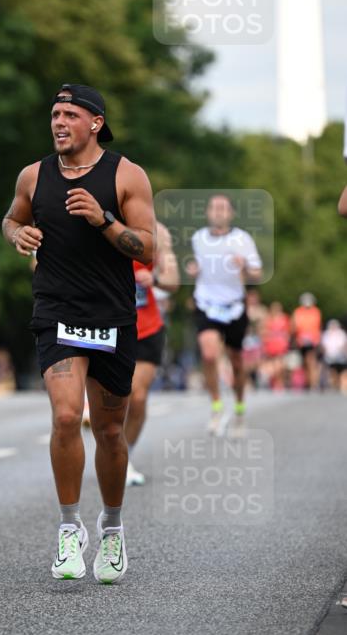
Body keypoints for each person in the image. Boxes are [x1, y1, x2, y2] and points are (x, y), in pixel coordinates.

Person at [3, 83, 154, 584]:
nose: (59, 123)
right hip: (57, 311)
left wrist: (105, 220)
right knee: (68, 417)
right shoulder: (34, 175)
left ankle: (111, 529)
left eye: (70, 114)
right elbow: (11, 218)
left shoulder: (126, 175)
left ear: (95, 123)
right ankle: (71, 528)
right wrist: (17, 234)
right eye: (54, 114)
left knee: (109, 430)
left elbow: (147, 249)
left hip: (112, 316)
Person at [187, 194, 263, 437]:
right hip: (207, 302)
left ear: (230, 213)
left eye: (223, 208)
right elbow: (197, 267)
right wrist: (194, 270)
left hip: (234, 306)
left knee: (237, 362)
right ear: (208, 213)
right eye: (214, 208)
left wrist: (245, 267)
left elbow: (257, 273)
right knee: (209, 354)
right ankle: (217, 407)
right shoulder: (198, 238)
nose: (218, 212)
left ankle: (239, 409)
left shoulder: (242, 239)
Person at [123, 221, 179, 485]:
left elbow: (173, 280)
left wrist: (154, 278)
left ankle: (124, 456)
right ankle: (111, 452)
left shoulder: (156, 231)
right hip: (106, 327)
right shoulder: (100, 219)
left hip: (146, 328)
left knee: (138, 395)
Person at [291, 293, 322, 391]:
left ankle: (313, 383)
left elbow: (317, 327)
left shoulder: (316, 312)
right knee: (305, 363)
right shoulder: (298, 312)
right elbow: (294, 326)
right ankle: (308, 382)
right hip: (301, 341)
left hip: (313, 341)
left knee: (311, 361)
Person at [261, 301, 291, 390]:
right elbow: (264, 331)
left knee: (280, 365)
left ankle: (279, 382)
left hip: (281, 345)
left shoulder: (284, 319)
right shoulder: (268, 319)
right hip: (271, 344)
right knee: (273, 365)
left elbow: (288, 332)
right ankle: (274, 382)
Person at [321, 319, 347, 393]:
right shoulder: (326, 334)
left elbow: (344, 346)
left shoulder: (341, 334)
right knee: (332, 371)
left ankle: (342, 385)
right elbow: (324, 347)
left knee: (342, 372)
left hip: (340, 357)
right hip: (330, 357)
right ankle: (334, 384)